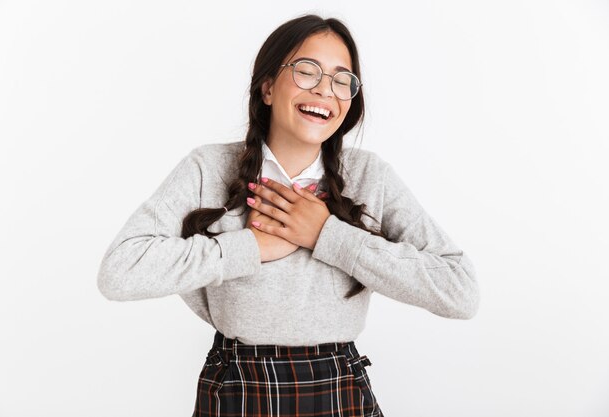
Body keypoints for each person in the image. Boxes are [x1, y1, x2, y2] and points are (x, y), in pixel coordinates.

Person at [96, 14, 480, 417]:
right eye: (306, 71)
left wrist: (327, 235)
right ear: (266, 87)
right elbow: (120, 271)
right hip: (236, 388)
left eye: (341, 79)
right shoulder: (207, 168)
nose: (325, 91)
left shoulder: (368, 177)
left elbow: (460, 290)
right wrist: (249, 247)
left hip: (338, 390)